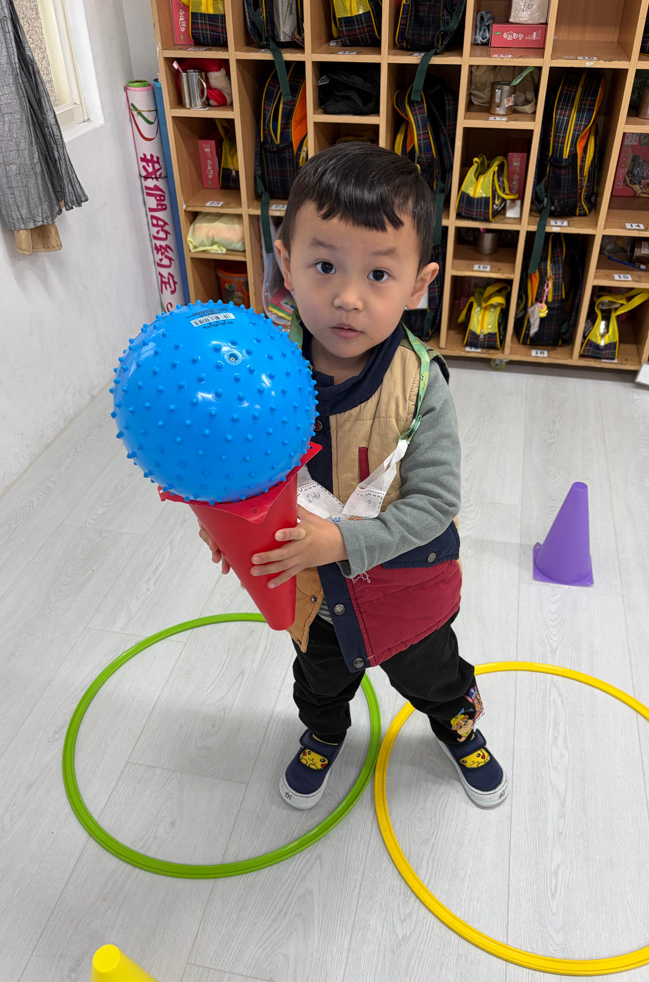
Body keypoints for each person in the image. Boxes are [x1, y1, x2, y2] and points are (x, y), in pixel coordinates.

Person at [200, 143, 508, 811]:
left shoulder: (421, 385)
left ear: (418, 285)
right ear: (286, 263)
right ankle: (323, 734)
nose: (347, 296)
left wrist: (340, 542)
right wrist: (225, 530)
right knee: (319, 679)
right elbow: (236, 473)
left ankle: (459, 728)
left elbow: (435, 503)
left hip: (407, 585)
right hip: (311, 591)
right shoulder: (260, 371)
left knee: (434, 675)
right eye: (324, 266)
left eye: (378, 274)